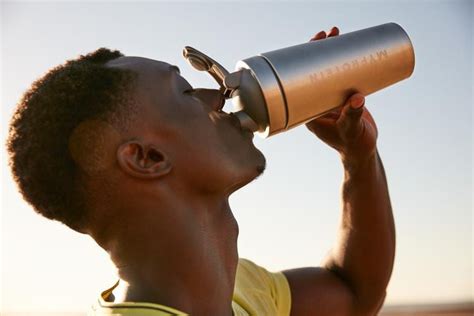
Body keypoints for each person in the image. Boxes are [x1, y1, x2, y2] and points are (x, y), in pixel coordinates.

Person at [7, 26, 394, 316]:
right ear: (148, 158)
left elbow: (354, 292)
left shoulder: (242, 286)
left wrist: (359, 157)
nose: (218, 96)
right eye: (187, 92)